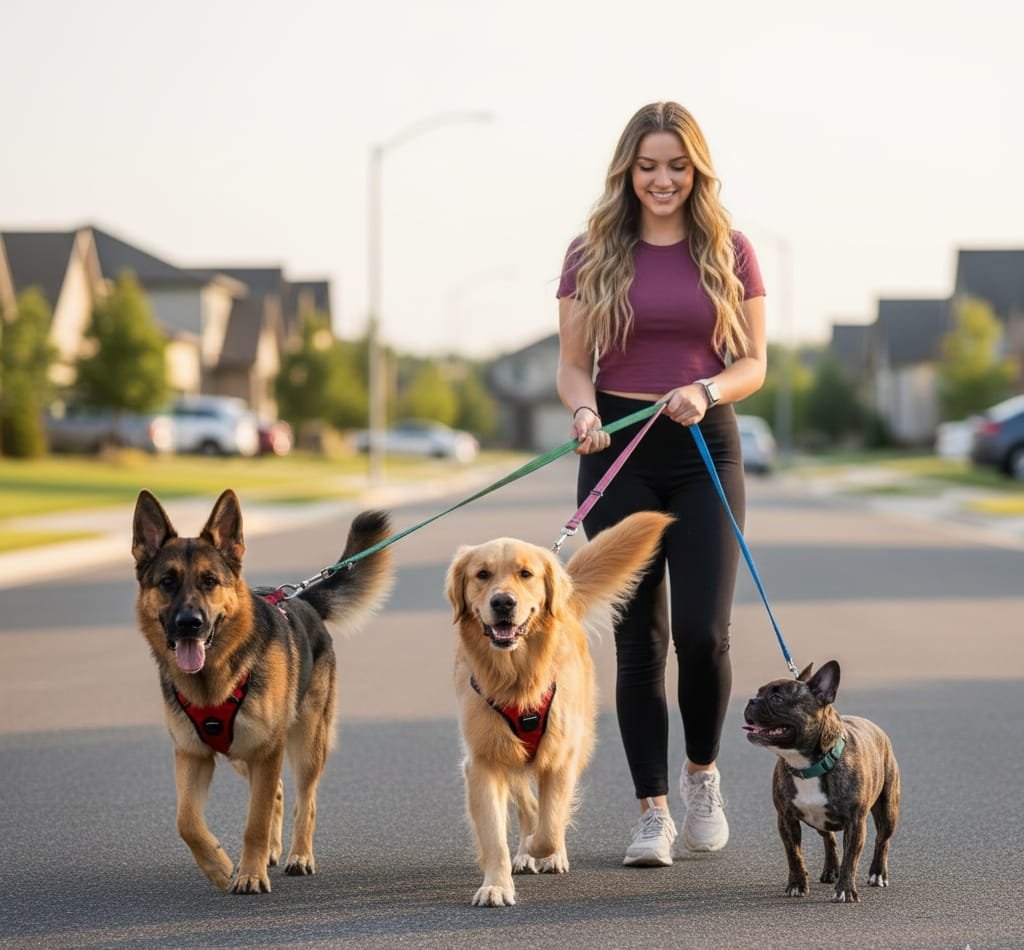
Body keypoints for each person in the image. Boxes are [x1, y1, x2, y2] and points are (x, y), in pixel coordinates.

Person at [555, 101, 767, 866]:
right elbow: (574, 361)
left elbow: (754, 364)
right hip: (615, 447)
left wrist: (706, 391)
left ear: (696, 170)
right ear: (627, 171)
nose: (662, 180)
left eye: (677, 166)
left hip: (703, 444)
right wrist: (582, 408)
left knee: (704, 636)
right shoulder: (592, 251)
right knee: (638, 640)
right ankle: (651, 811)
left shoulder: (730, 249)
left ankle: (701, 776)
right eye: (648, 166)